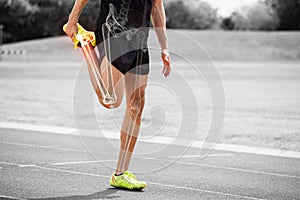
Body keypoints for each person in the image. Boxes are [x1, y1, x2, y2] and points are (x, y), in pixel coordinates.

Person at [64, 0, 171, 190]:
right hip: (113, 33)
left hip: (140, 41)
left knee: (136, 105)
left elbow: (156, 6)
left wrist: (164, 47)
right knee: (110, 100)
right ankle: (86, 46)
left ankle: (120, 173)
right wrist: (72, 20)